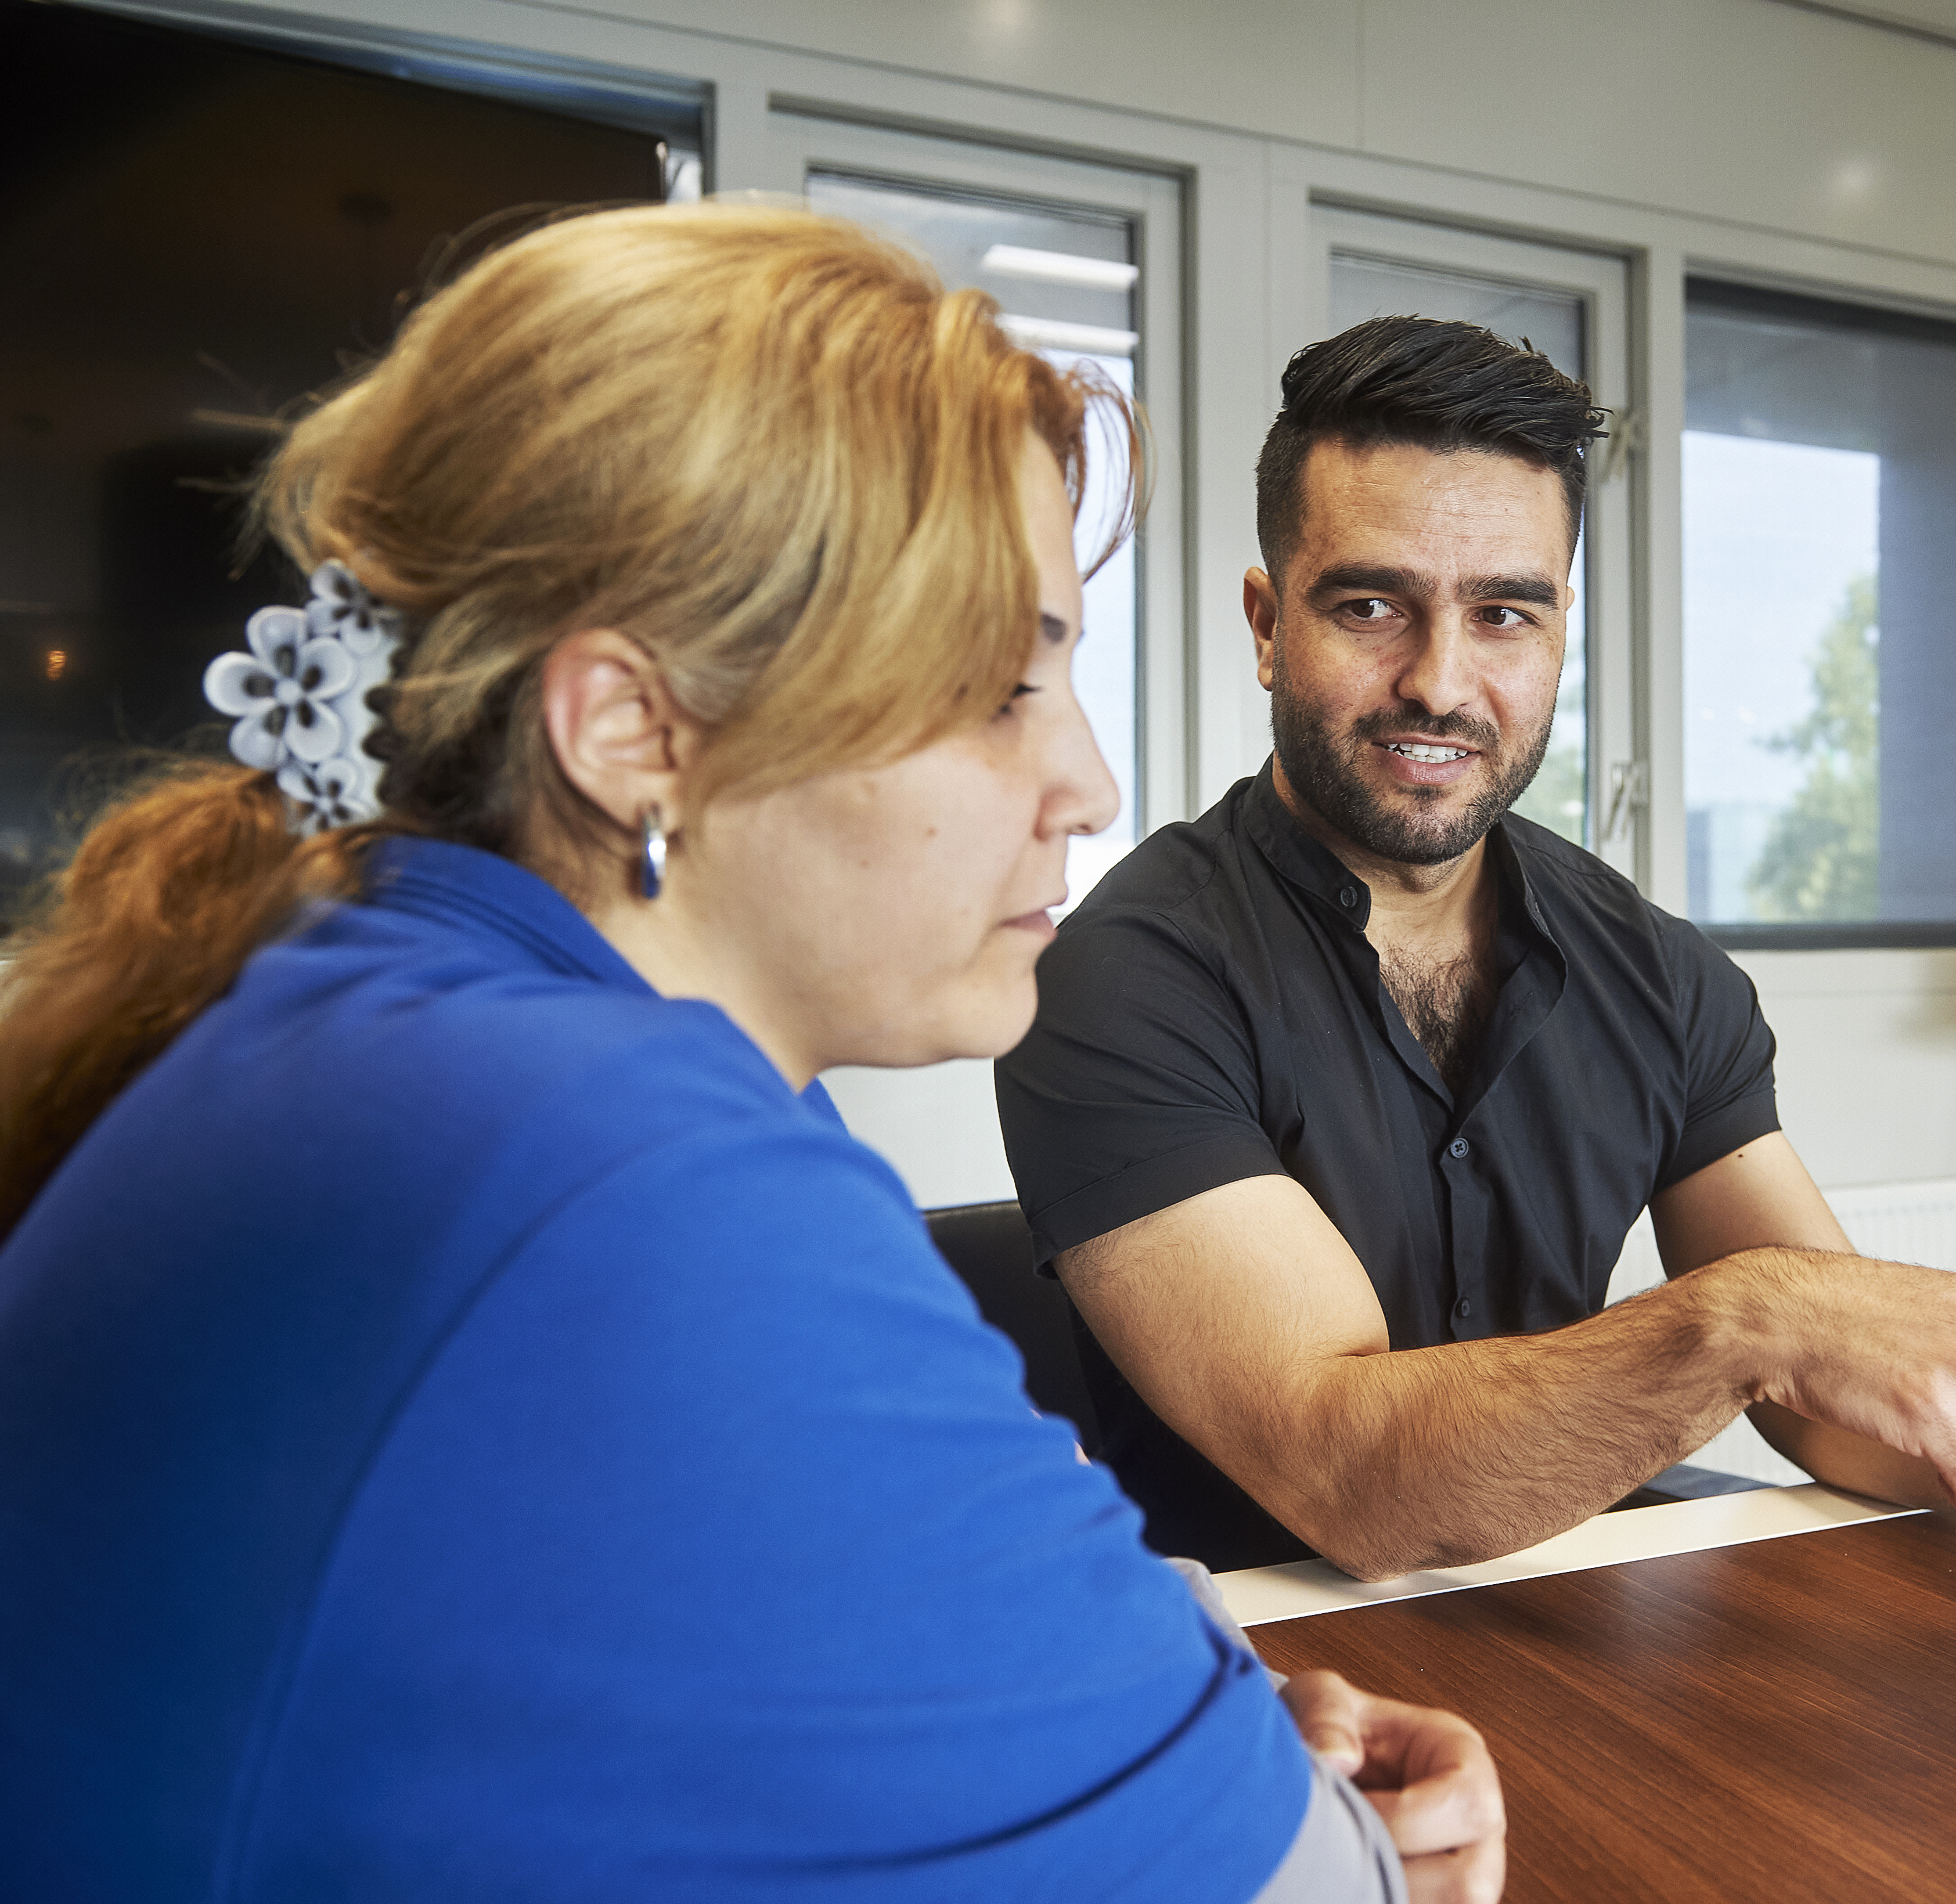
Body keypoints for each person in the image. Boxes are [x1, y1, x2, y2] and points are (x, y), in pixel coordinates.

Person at [0, 207, 1501, 1903]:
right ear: (636, 731)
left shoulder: (390, 1012)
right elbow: (1320, 1878)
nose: (1083, 783)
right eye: (1004, 684)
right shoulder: (615, 1158)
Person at [994, 316, 1956, 1578]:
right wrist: (1752, 1315)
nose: (1439, 680)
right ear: (1268, 625)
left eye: (1503, 614)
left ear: (1558, 633)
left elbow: (1817, 1397)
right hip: (1262, 1665)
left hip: (1569, 1609)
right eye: (1372, 605)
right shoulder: (1122, 979)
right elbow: (1352, 1481)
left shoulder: (1659, 971)